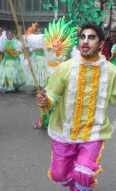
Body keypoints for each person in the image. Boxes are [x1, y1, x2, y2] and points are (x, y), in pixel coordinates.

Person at [36, 21, 116, 191]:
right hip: (64, 131)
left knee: (85, 174)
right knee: (59, 175)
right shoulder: (65, 67)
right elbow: (52, 96)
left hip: (93, 132)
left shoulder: (111, 71)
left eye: (91, 38)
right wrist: (46, 101)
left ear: (101, 44)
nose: (85, 41)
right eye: (82, 37)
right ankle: (75, 186)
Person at [34, 17, 78, 129]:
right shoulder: (48, 42)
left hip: (60, 75)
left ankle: (56, 121)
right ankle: (47, 120)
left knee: (58, 98)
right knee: (49, 98)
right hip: (54, 75)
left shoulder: (67, 45)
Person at [25, 22, 47, 93]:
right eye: (37, 31)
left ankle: (40, 88)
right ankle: (35, 86)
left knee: (40, 73)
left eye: (40, 31)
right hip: (34, 57)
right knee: (34, 72)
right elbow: (27, 35)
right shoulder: (33, 38)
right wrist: (33, 26)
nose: (38, 33)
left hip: (41, 58)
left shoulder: (45, 37)